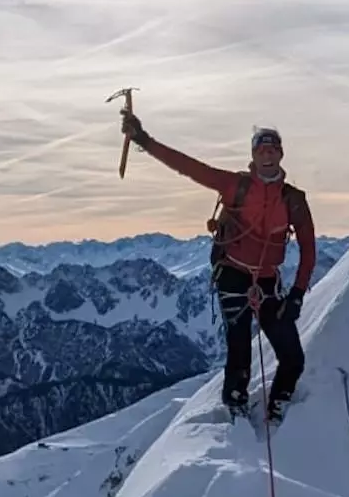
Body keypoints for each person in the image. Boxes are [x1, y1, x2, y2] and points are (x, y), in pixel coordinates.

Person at [122, 110, 315, 423]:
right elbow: (187, 166)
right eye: (261, 149)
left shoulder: (293, 199)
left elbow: (309, 250)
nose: (267, 155)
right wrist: (144, 140)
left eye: (272, 149)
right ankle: (236, 402)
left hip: (267, 280)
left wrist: (297, 295)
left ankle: (277, 402)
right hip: (233, 274)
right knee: (239, 344)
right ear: (253, 154)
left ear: (280, 154)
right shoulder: (234, 184)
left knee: (292, 355)